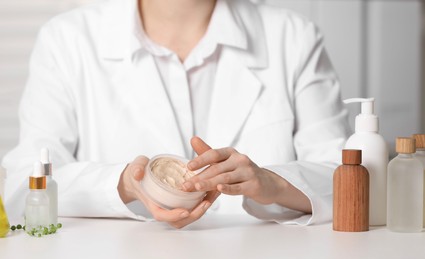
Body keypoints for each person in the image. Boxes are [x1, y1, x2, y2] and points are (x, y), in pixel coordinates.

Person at [2, 0, 350, 228]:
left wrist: (273, 183)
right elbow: (24, 185)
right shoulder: (68, 40)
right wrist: (122, 184)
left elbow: (350, 180)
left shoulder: (292, 38)